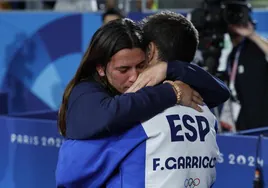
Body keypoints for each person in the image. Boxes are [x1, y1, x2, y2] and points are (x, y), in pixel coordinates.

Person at [56, 17, 229, 187]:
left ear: (150, 52)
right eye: (123, 69)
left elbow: (69, 173)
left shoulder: (139, 118)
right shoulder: (201, 110)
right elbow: (110, 113)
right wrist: (173, 92)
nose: (134, 77)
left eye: (140, 66)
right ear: (100, 68)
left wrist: (169, 68)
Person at [226, 17, 268, 131]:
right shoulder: (233, 55)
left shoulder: (256, 49)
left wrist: (252, 35)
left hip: (264, 121)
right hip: (244, 121)